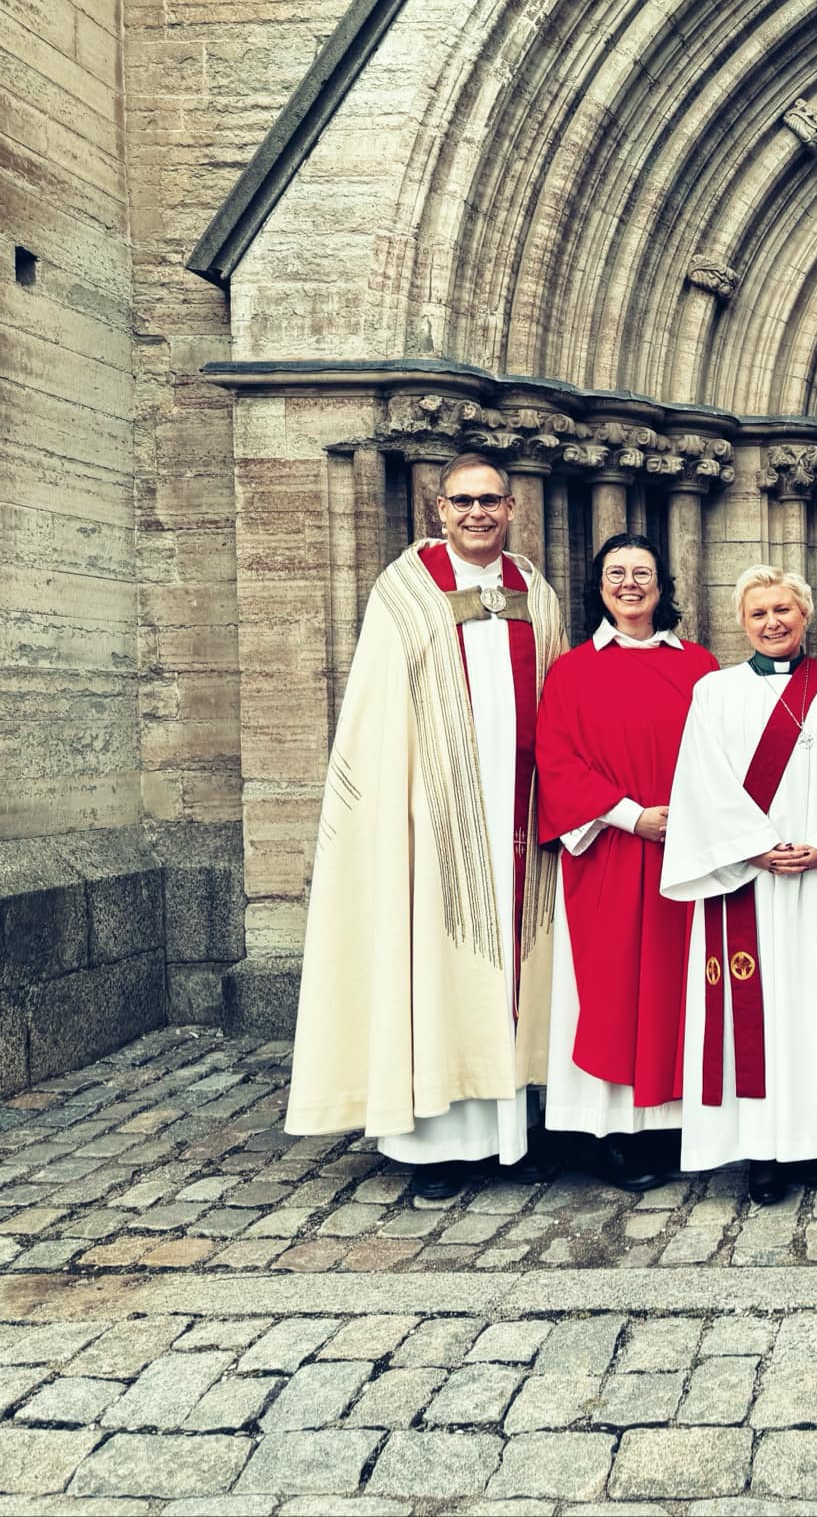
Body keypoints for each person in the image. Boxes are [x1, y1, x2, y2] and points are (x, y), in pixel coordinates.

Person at [285, 453, 566, 1199]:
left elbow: (559, 698)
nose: (478, 513)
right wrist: (397, 809)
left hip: (522, 812)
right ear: (440, 510)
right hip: (436, 816)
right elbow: (378, 711)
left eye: (491, 501)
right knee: (437, 963)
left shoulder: (534, 591)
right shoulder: (405, 591)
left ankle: (514, 1134)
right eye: (463, 501)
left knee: (518, 965)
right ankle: (438, 1146)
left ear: (511, 509)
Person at [658, 565, 817, 1203]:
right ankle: (761, 1149)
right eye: (758, 613)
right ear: (741, 621)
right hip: (747, 884)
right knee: (757, 1017)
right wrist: (752, 847)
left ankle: (816, 1138)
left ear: (805, 614)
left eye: (783, 609)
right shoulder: (715, 693)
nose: (772, 622)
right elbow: (700, 781)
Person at [537, 534, 719, 1191]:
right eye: (616, 573)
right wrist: (630, 816)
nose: (630, 584)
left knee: (678, 988)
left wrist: (694, 816)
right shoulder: (571, 671)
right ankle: (612, 1129)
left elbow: (723, 754)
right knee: (613, 986)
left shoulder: (699, 666)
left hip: (685, 852)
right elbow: (556, 761)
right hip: (610, 850)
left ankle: (678, 1123)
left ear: (663, 586)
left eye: (643, 572)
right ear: (599, 586)